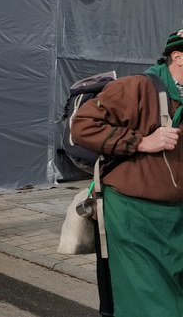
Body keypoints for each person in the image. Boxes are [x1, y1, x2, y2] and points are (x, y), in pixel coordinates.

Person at [71, 29, 183, 317]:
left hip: (174, 214)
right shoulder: (136, 87)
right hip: (135, 213)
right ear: (178, 56)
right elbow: (83, 125)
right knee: (149, 300)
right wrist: (142, 142)